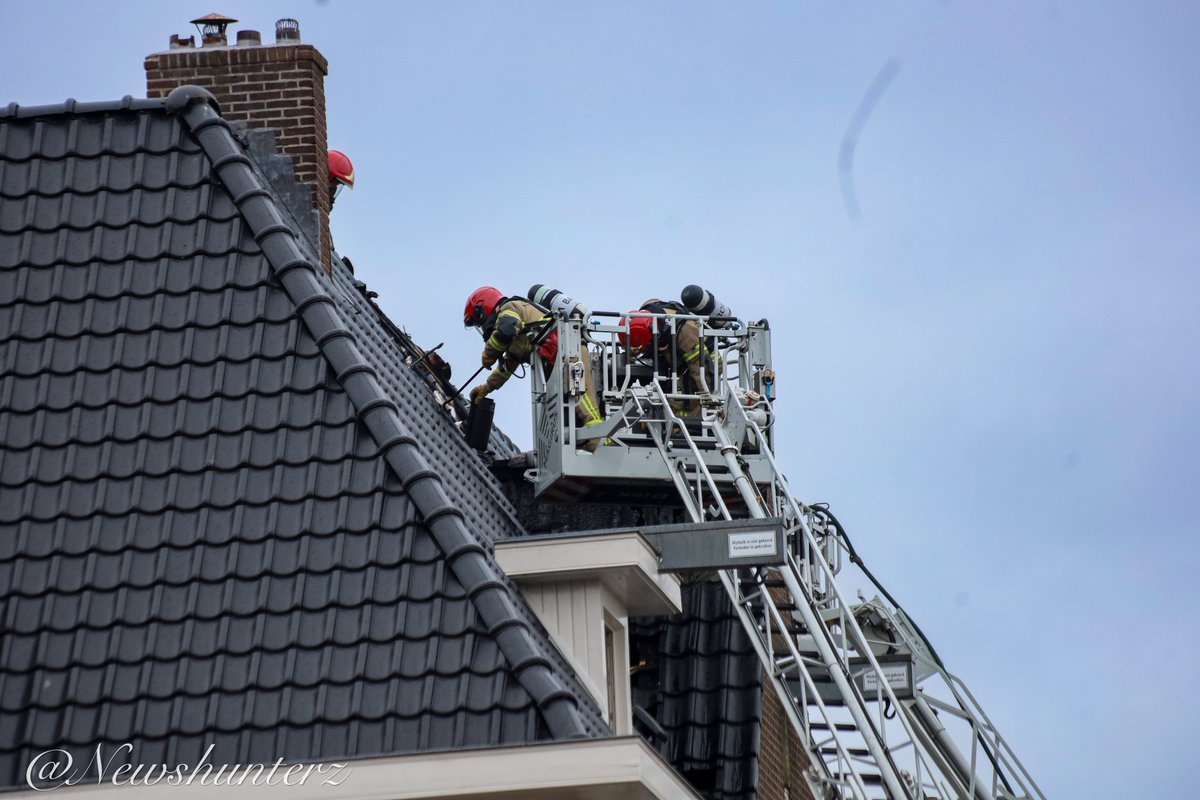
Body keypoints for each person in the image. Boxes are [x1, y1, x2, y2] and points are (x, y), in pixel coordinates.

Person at [463, 287, 604, 450]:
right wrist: (486, 388)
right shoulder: (514, 339)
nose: (482, 327)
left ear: (484, 309)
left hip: (571, 353)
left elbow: (507, 329)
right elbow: (507, 367)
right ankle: (588, 446)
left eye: (479, 322)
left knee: (581, 401)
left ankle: (600, 443)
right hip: (558, 363)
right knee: (567, 413)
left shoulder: (510, 309)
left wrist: (489, 353)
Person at [620, 298, 714, 415]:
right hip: (682, 361)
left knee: (683, 399)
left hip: (707, 364)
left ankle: (681, 428)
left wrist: (707, 398)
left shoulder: (685, 335)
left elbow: (702, 365)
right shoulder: (651, 320)